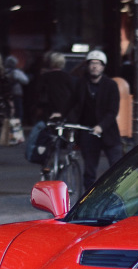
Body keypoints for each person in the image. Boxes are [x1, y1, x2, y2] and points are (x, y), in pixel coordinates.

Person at [67, 50, 122, 190]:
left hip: (108, 132)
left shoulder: (110, 85)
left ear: (103, 67)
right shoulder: (81, 84)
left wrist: (101, 126)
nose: (95, 66)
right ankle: (88, 198)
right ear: (87, 66)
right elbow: (71, 104)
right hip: (88, 131)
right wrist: (60, 115)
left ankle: (117, 194)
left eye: (98, 64)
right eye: (92, 63)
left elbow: (113, 111)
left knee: (117, 167)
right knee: (89, 170)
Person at [34, 51, 75, 121]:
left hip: (48, 110)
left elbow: (38, 94)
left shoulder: (44, 77)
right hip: (65, 111)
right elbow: (74, 94)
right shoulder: (68, 77)